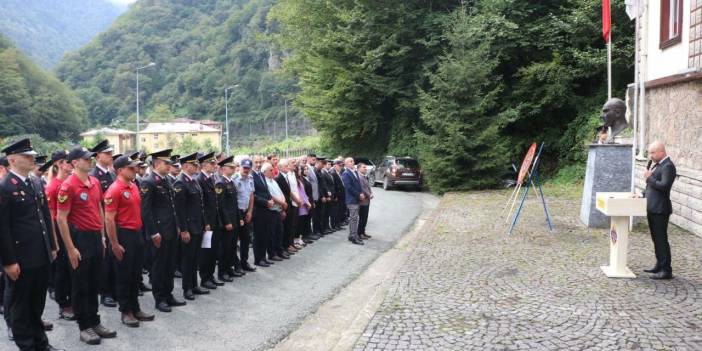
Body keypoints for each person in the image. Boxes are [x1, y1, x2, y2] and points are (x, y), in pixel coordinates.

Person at [0, 138, 64, 351]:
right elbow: (3, 228)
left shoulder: (35, 182)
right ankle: (27, 345)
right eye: (26, 156)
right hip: (21, 257)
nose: (32, 159)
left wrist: (52, 245)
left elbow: (45, 216)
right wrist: (8, 261)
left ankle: (41, 343)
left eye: (31, 155)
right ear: (12, 159)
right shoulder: (5, 186)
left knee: (37, 304)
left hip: (40, 253)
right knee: (21, 306)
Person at [56, 146, 117, 345]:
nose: (89, 161)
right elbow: (61, 219)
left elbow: (99, 207)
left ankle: (95, 321)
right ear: (75, 163)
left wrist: (102, 236)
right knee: (80, 284)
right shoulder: (68, 186)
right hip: (79, 239)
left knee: (94, 282)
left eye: (90, 158)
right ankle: (84, 326)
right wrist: (70, 248)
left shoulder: (95, 182)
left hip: (94, 238)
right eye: (85, 159)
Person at [104, 156, 156, 327]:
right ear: (120, 170)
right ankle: (126, 311)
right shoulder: (114, 189)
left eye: (135, 168)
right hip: (123, 234)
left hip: (137, 233)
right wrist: (114, 244)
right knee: (124, 275)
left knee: (135, 274)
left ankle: (135, 307)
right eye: (131, 168)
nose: (135, 170)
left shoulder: (133, 186)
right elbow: (109, 220)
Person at [139, 150, 185, 313]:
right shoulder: (148, 182)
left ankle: (168, 293)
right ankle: (160, 298)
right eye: (166, 163)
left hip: (170, 229)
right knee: (159, 266)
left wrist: (177, 226)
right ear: (157, 163)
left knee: (169, 264)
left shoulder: (165, 180)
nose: (169, 166)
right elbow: (146, 211)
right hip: (159, 231)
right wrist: (153, 233)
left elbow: (172, 208)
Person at [173, 153, 210, 301]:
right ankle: (187, 288)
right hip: (189, 227)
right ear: (185, 166)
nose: (196, 167)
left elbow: (200, 206)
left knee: (195, 258)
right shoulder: (180, 183)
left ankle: (194, 285)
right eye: (193, 165)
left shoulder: (193, 181)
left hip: (197, 226)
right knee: (187, 259)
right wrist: (183, 229)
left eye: (196, 165)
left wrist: (204, 222)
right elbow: (179, 210)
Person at [45, 151, 76, 321]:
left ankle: (72, 299)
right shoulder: (52, 186)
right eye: (67, 161)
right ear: (58, 164)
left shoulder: (70, 183)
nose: (70, 164)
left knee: (73, 267)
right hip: (59, 229)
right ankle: (63, 304)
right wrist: (54, 241)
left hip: (72, 228)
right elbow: (50, 216)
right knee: (62, 268)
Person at [639, 141, 677, 280]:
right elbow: (652, 188)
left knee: (661, 240)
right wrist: (642, 194)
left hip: (660, 209)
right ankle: (659, 264)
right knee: (656, 239)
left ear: (661, 152)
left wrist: (650, 178)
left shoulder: (668, 166)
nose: (650, 156)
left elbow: (664, 186)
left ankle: (666, 270)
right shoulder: (658, 165)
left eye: (653, 153)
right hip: (652, 207)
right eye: (650, 152)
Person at [196, 152, 222, 290]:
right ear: (204, 164)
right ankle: (205, 278)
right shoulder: (200, 179)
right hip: (207, 222)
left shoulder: (211, 178)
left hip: (214, 220)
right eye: (212, 163)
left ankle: (211, 275)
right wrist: (205, 222)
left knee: (213, 250)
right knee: (206, 251)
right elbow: (202, 205)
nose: (215, 165)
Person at [214, 156, 240, 282]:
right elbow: (221, 205)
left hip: (234, 219)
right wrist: (227, 222)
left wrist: (239, 218)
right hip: (227, 222)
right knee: (224, 247)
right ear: (224, 169)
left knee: (232, 246)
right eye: (231, 167)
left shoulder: (230, 182)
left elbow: (235, 203)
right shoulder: (220, 183)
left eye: (234, 167)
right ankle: (222, 272)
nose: (233, 169)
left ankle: (229, 269)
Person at [251, 156, 275, 267]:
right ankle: (258, 259)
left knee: (265, 234)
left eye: (260, 162)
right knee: (258, 236)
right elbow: (253, 195)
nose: (259, 164)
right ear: (252, 163)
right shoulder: (251, 175)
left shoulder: (261, 174)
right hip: (258, 210)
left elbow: (266, 190)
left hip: (266, 209)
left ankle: (263, 257)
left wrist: (270, 199)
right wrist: (266, 202)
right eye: (256, 162)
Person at [233, 159, 256, 272]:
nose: (246, 170)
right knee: (234, 240)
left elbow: (251, 196)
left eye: (248, 168)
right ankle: (236, 264)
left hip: (246, 211)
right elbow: (232, 200)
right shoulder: (234, 179)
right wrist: (239, 216)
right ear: (240, 167)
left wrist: (250, 211)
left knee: (245, 239)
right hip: (237, 212)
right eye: (244, 167)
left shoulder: (250, 179)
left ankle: (244, 262)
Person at [264, 163, 288, 262]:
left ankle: (279, 251)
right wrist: (282, 203)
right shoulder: (265, 182)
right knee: (272, 233)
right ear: (264, 172)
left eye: (273, 170)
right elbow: (271, 196)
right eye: (270, 170)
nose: (273, 171)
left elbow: (280, 193)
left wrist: (283, 205)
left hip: (278, 209)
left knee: (279, 232)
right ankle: (272, 253)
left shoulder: (273, 181)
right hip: (272, 210)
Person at [342, 158, 365, 245]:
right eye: (351, 161)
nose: (353, 162)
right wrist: (358, 194)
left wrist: (361, 193)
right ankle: (353, 236)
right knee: (354, 219)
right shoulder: (346, 173)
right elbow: (349, 187)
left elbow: (358, 185)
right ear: (346, 164)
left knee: (354, 218)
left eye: (353, 161)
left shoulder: (354, 171)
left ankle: (352, 235)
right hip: (351, 199)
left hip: (356, 198)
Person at [357, 162, 373, 240]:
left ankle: (363, 232)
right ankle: (359, 233)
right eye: (364, 167)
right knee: (362, 218)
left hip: (367, 200)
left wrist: (371, 192)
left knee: (365, 218)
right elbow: (362, 188)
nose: (365, 168)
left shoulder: (364, 176)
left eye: (366, 167)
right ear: (359, 168)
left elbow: (368, 186)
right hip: (362, 201)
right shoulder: (359, 177)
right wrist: (369, 194)